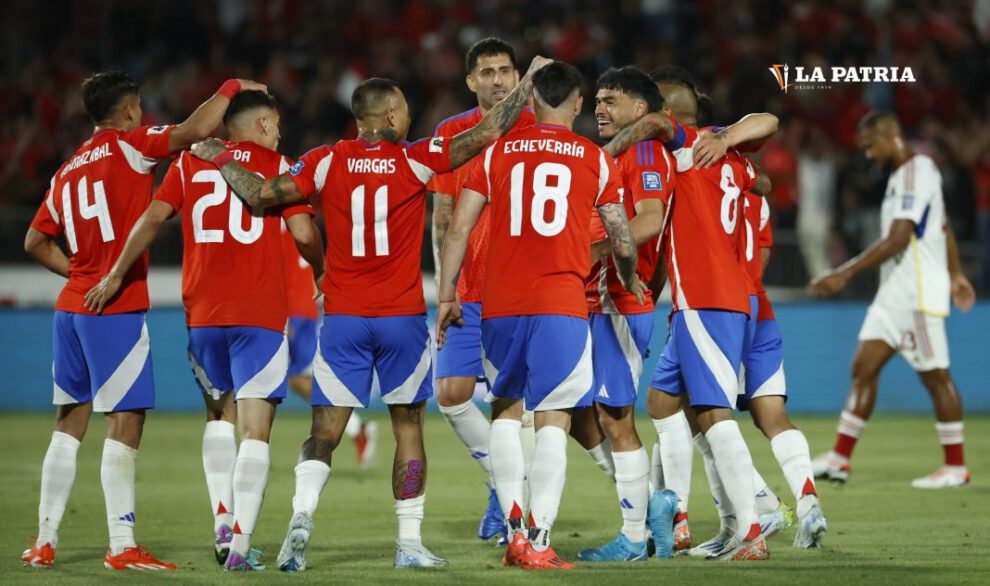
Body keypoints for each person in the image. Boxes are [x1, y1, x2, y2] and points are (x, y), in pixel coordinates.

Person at [191, 57, 550, 570]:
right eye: (403, 109)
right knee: (408, 429)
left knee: (324, 432)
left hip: (342, 320)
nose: (408, 118)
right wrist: (529, 80)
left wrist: (218, 155)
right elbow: (489, 129)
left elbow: (259, 196)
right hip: (400, 320)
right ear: (387, 115)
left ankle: (302, 517)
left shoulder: (324, 160)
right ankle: (408, 543)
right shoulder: (415, 159)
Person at [21, 71, 264, 570]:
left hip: (70, 308)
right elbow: (197, 130)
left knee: (68, 425)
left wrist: (82, 273)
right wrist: (232, 87)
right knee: (126, 422)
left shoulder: (66, 170)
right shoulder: (132, 146)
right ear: (130, 110)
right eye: (140, 108)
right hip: (115, 307)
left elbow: (34, 242)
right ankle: (121, 544)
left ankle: (44, 541)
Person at [84, 90, 322, 571]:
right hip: (259, 313)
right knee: (257, 429)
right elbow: (301, 233)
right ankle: (239, 546)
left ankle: (221, 519)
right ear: (258, 126)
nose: (280, 132)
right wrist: (323, 272)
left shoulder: (189, 165)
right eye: (275, 123)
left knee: (218, 417)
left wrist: (114, 274)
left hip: (203, 313)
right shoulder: (281, 165)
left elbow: (153, 218)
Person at [437, 61, 645, 570]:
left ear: (530, 101)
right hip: (561, 304)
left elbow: (458, 227)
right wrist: (630, 272)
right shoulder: (596, 159)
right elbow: (620, 235)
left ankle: (513, 533)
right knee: (553, 417)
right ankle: (539, 538)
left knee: (505, 410)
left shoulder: (495, 152)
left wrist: (446, 296)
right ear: (577, 104)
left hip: (500, 304)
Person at [601, 85, 779, 560]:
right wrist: (729, 141)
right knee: (662, 401)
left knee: (714, 414)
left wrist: (610, 149)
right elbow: (766, 127)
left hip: (708, 297)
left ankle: (754, 527)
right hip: (698, 299)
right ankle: (703, 522)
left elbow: (661, 126)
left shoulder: (685, 146)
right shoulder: (730, 158)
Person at [809, 110, 976, 489]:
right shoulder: (905, 175)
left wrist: (844, 272)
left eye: (870, 145)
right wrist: (957, 273)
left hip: (915, 293)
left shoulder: (917, 171)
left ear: (890, 136)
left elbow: (899, 238)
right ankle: (839, 458)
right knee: (862, 368)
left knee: (936, 376)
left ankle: (955, 467)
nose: (867, 155)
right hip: (893, 294)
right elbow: (943, 224)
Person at [429, 37, 537, 542]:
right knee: (450, 395)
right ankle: (502, 481)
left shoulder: (538, 128)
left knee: (514, 405)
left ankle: (514, 504)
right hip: (468, 288)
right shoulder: (453, 133)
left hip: (522, 289)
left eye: (507, 70)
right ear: (470, 81)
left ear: (518, 77)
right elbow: (444, 218)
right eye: (488, 71)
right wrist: (443, 288)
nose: (498, 79)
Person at [574, 65, 677, 563]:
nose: (599, 107)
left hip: (620, 299)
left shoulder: (643, 151)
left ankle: (636, 537)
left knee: (616, 419)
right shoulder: (608, 156)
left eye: (611, 100)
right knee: (583, 413)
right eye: (597, 99)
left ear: (641, 110)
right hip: (597, 300)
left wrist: (587, 252)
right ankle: (649, 505)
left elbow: (650, 218)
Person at [280, 211, 378, 469]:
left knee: (297, 379)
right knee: (296, 379)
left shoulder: (275, 225)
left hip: (293, 311)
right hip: (304, 309)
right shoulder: (304, 222)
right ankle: (352, 428)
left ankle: (354, 427)